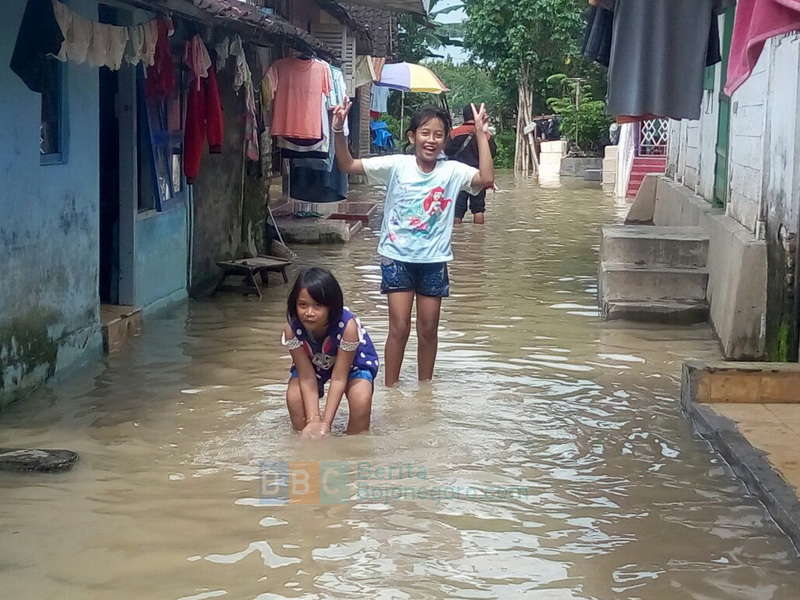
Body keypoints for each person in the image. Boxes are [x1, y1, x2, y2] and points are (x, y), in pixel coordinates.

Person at [332, 100, 494, 387]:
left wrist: (482, 135)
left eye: (438, 134)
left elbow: (486, 178)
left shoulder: (453, 171)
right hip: (397, 258)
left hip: (434, 261)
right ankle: (390, 388)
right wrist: (338, 129)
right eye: (425, 133)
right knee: (399, 328)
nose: (431, 140)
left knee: (429, 329)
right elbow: (347, 164)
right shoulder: (397, 165)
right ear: (412, 136)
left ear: (446, 139)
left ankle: (425, 390)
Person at [282, 267, 379, 437]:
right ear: (294, 304)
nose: (309, 313)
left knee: (361, 399)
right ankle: (304, 441)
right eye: (302, 305)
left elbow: (339, 377)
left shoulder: (347, 327)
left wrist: (326, 423)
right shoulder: (292, 330)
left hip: (353, 364)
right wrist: (314, 421)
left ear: (331, 306)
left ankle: (354, 447)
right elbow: (306, 377)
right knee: (294, 397)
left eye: (318, 305)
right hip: (312, 363)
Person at [445, 104, 497, 224]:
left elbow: (446, 152)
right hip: (479, 176)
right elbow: (492, 153)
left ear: (464, 116)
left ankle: (458, 236)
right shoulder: (486, 135)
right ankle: (479, 238)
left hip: (458, 177)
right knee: (478, 209)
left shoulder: (454, 133)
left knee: (457, 211)